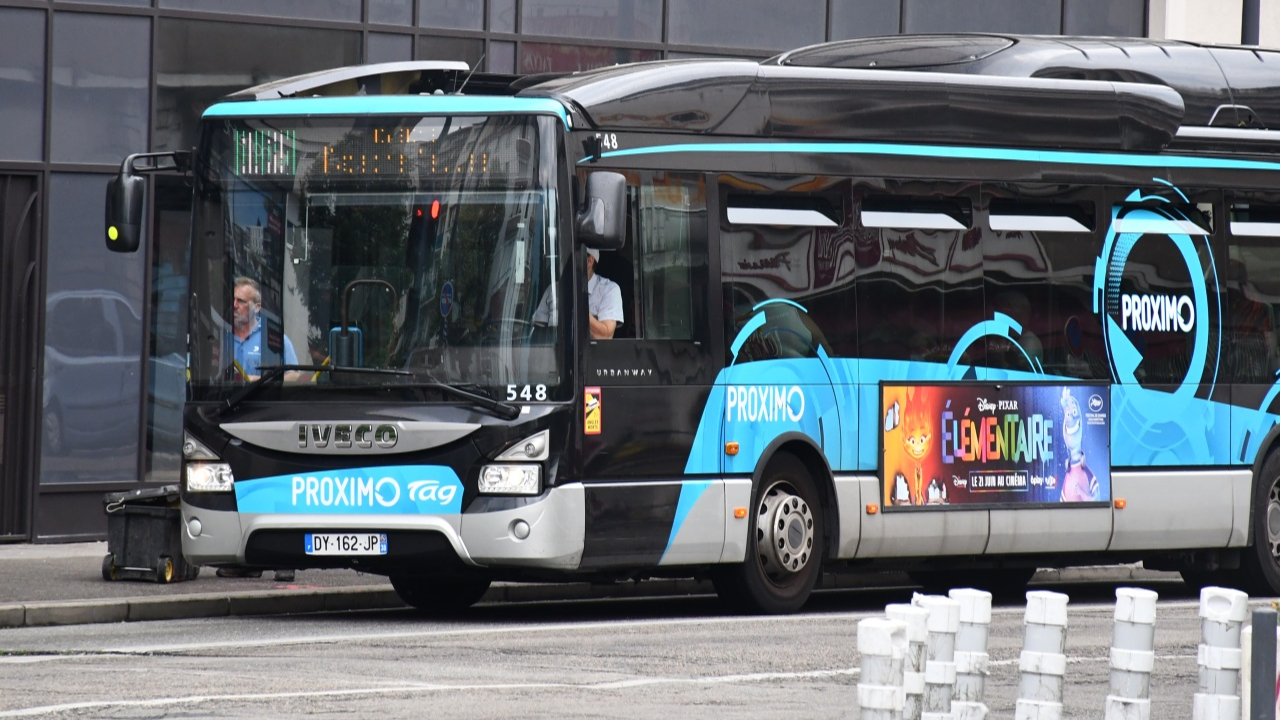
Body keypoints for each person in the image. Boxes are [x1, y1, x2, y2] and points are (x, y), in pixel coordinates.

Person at [533, 247, 625, 339]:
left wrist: (577, 302)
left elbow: (605, 335)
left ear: (589, 261)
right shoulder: (553, 288)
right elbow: (537, 331)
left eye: (569, 259)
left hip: (590, 353)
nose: (562, 263)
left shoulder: (609, 290)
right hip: (555, 351)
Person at [231, 277, 300, 380]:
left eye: (241, 301)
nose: (234, 305)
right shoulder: (222, 334)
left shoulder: (274, 338)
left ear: (257, 307)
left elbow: (295, 375)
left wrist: (258, 381)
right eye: (233, 299)